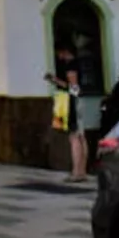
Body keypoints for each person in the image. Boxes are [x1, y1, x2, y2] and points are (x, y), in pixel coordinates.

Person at [45, 46, 89, 183]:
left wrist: (54, 80)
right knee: (81, 137)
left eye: (59, 52)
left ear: (64, 51)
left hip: (72, 103)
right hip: (78, 102)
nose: (58, 56)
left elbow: (73, 87)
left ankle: (77, 172)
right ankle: (82, 170)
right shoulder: (77, 63)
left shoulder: (71, 65)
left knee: (74, 137)